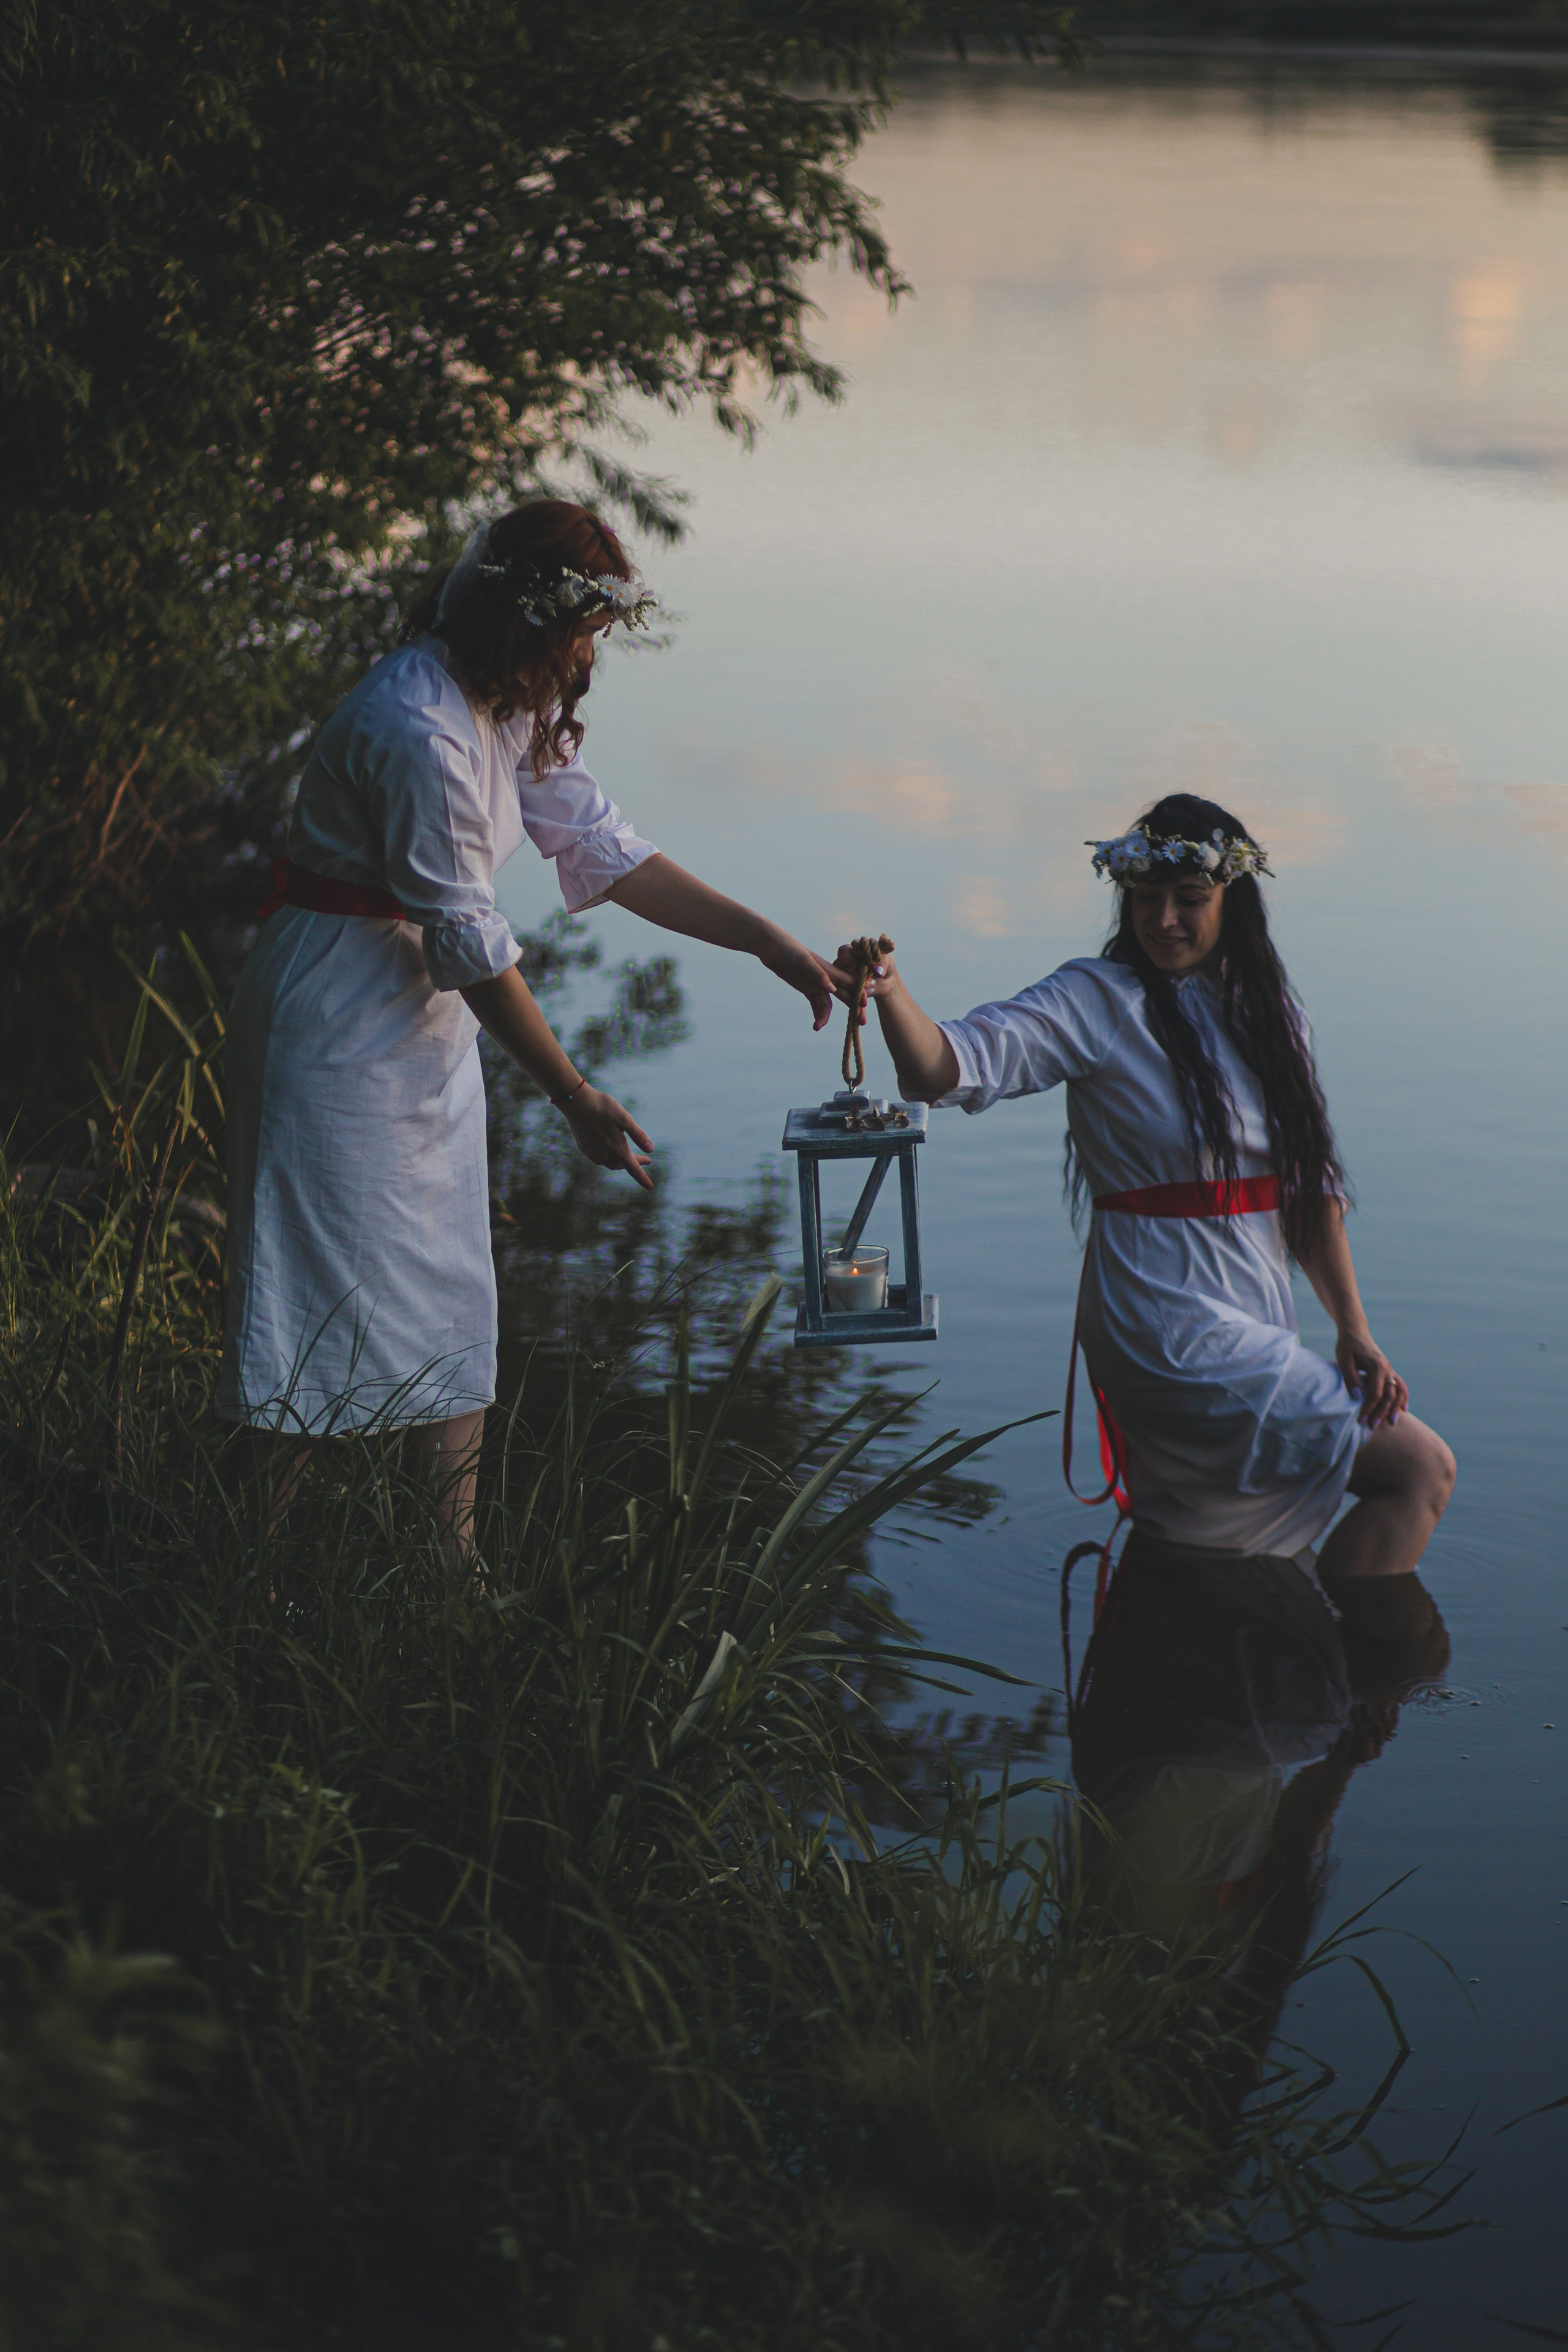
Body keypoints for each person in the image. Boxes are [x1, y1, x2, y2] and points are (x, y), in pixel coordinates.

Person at [219, 499, 834, 1551]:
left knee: (452, 1297)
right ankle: (244, 1569)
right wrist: (572, 1093)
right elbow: (468, 941)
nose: (590, 651)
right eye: (582, 629)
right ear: (524, 619)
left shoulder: (504, 706)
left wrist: (764, 940)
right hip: (333, 1022)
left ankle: (448, 1569)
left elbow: (602, 846)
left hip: (420, 1028)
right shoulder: (417, 727)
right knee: (309, 1310)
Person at [834, 793, 1455, 1586]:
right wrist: (889, 992)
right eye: (1145, 899)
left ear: (1233, 900)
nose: (1163, 920)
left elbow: (1309, 1191)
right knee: (1420, 1470)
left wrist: (1354, 1332)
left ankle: (1196, 1655)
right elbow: (943, 1067)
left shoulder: (1271, 1014)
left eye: (1189, 900)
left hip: (1252, 1305)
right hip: (1163, 1318)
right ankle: (1355, 1678)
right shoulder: (1095, 1002)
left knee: (1199, 1538)